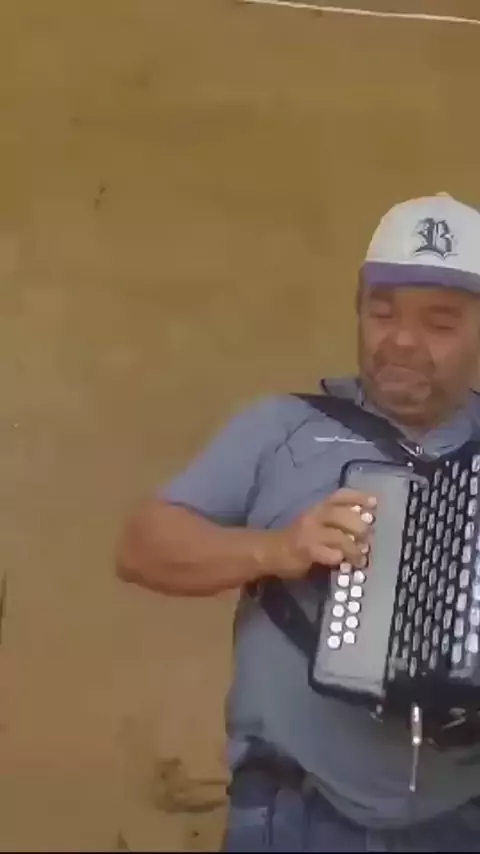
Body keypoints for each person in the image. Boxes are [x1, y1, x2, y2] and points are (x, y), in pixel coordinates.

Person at [115, 193, 480, 852]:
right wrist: (276, 550)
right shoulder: (283, 429)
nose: (402, 340)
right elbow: (142, 545)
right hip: (296, 816)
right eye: (382, 312)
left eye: (440, 322)